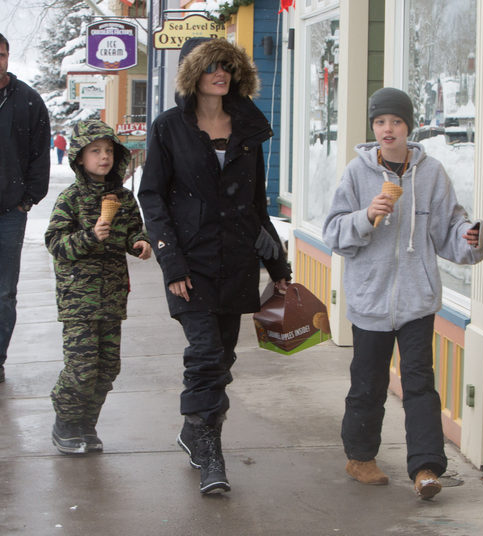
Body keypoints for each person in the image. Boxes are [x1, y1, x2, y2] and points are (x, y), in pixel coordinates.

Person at [322, 87, 483, 500]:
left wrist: (472, 238)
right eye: (380, 122)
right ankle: (360, 458)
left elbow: (449, 232)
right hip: (370, 301)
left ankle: (427, 469)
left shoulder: (431, 174)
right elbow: (334, 235)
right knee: (368, 384)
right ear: (373, 127)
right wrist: (366, 216)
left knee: (420, 386)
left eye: (396, 122)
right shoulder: (356, 173)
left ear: (408, 126)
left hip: (416, 301)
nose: (387, 129)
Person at [139, 38, 291, 494]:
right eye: (210, 65)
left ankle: (194, 431)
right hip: (190, 263)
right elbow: (153, 196)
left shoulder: (246, 126)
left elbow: (255, 205)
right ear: (192, 73)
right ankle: (210, 454)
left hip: (238, 259)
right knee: (205, 356)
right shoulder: (169, 127)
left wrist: (278, 267)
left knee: (223, 359)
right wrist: (171, 262)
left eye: (227, 65)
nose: (219, 73)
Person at [45, 119, 151, 454]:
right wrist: (89, 237)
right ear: (79, 157)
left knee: (107, 366)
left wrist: (140, 242)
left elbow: (135, 229)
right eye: (95, 151)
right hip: (78, 299)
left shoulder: (122, 197)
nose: (103, 157)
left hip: (112, 296)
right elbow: (55, 243)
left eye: (108, 151)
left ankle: (86, 424)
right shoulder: (71, 199)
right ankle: (66, 421)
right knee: (82, 367)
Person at [0, 33, 51, 384]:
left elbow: (39, 157)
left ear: (8, 57)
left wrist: (27, 199)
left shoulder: (28, 101)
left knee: (3, 291)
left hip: (9, 214)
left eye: (0, 54)